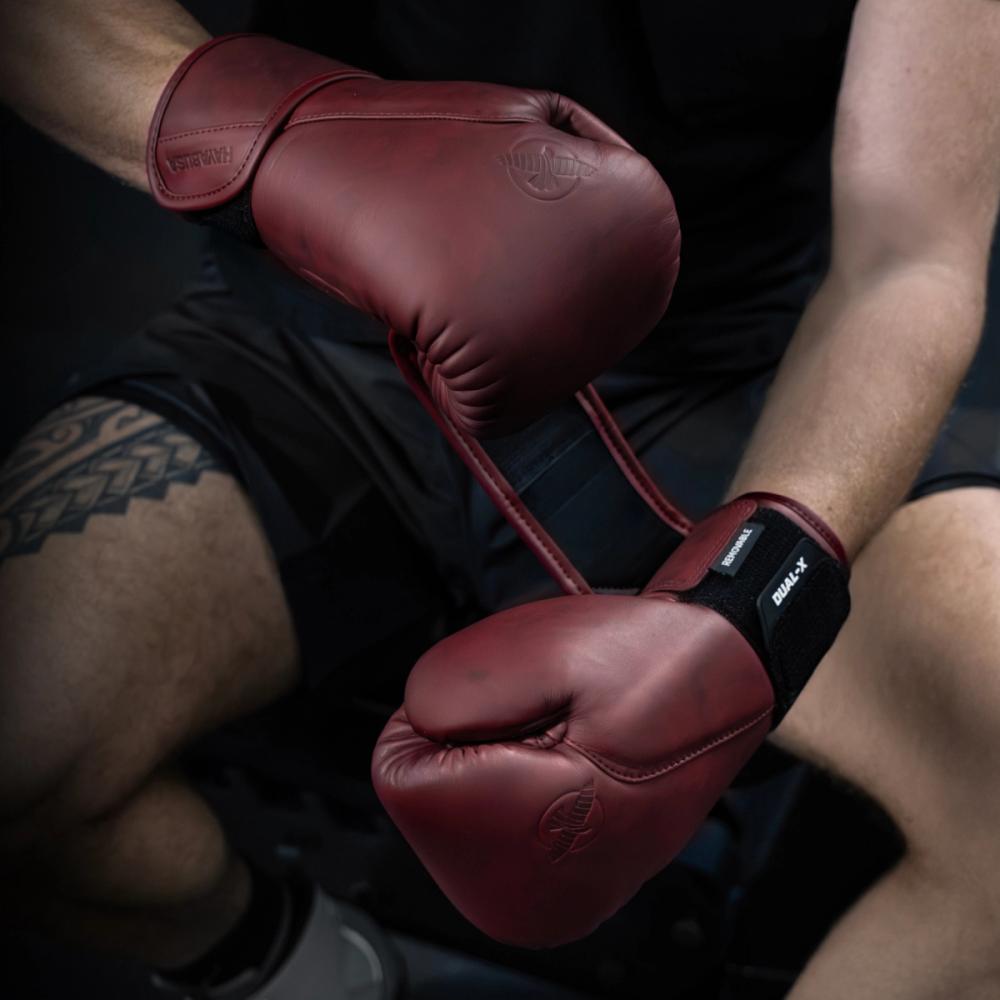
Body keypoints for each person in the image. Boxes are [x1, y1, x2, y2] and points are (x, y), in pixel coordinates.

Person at [1, 1, 999, 997]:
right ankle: (292, 966)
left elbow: (908, 254)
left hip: (729, 387)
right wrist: (293, 149)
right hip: (317, 345)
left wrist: (752, 597)